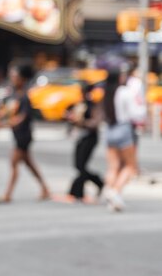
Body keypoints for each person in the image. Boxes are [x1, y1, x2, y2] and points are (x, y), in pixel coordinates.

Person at [0, 65, 50, 203]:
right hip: (17, 134)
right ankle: (45, 188)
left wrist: (7, 124)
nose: (13, 79)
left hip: (24, 135)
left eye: (15, 77)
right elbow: (6, 112)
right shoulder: (13, 94)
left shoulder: (25, 96)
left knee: (14, 163)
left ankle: (8, 194)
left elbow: (23, 116)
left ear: (22, 79)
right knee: (29, 164)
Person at [102, 69, 144, 211]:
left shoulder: (107, 93)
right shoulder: (125, 92)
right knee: (130, 166)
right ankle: (115, 191)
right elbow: (136, 113)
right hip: (123, 129)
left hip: (110, 129)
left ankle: (110, 192)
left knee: (113, 166)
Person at [56, 83, 104, 204]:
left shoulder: (92, 105)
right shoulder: (78, 104)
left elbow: (94, 123)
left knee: (81, 166)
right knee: (78, 165)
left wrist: (81, 121)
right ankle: (97, 183)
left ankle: (77, 191)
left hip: (90, 137)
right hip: (80, 137)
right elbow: (67, 116)